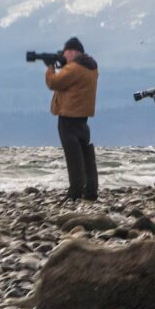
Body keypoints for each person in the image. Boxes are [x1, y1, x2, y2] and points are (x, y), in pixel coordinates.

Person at [45, 36, 100, 201]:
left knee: (73, 157)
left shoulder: (74, 68)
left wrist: (50, 67)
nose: (64, 54)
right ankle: (91, 190)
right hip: (83, 118)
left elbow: (53, 83)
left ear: (73, 52)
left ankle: (75, 192)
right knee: (85, 154)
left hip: (68, 117)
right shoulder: (91, 68)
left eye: (65, 52)